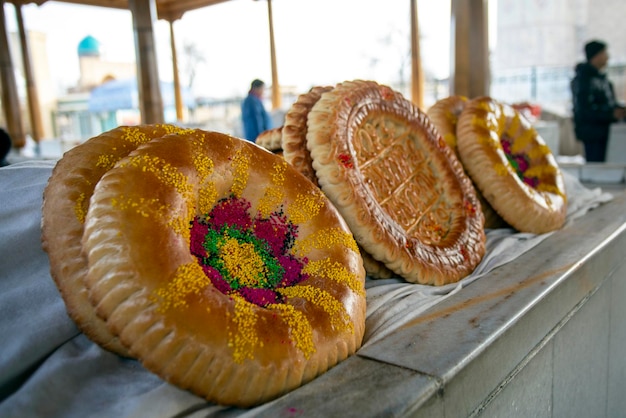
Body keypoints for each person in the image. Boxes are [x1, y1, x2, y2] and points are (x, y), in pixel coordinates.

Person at [571, 40, 626, 162]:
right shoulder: (584, 80)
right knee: (596, 167)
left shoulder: (602, 79)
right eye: (604, 53)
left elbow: (608, 102)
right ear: (596, 55)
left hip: (605, 130)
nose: (608, 57)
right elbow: (584, 110)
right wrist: (610, 114)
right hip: (593, 132)